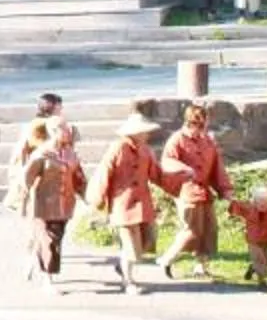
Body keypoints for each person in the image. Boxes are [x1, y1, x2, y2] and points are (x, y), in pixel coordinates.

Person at [158, 105, 231, 281]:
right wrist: (184, 169)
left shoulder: (208, 141)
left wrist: (225, 189)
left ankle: (201, 267)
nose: (202, 125)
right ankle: (167, 259)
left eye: (204, 121)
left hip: (204, 192)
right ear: (190, 121)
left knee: (208, 230)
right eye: (198, 121)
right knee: (191, 231)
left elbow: (217, 168)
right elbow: (167, 162)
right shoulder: (177, 139)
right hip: (187, 190)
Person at [94, 111, 167, 284]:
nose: (148, 135)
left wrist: (178, 180)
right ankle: (128, 282)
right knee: (130, 247)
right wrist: (99, 199)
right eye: (145, 132)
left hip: (142, 204)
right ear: (136, 133)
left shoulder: (146, 150)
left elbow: (156, 174)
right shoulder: (118, 148)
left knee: (147, 242)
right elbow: (105, 172)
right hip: (122, 204)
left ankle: (123, 266)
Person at [15, 118, 85, 285]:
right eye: (63, 129)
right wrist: (23, 202)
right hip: (42, 205)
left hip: (64, 205)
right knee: (50, 241)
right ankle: (48, 278)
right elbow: (26, 179)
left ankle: (33, 257)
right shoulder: (41, 154)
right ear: (53, 131)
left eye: (67, 128)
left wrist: (86, 194)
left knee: (55, 239)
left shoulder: (70, 154)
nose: (68, 131)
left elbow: (78, 176)